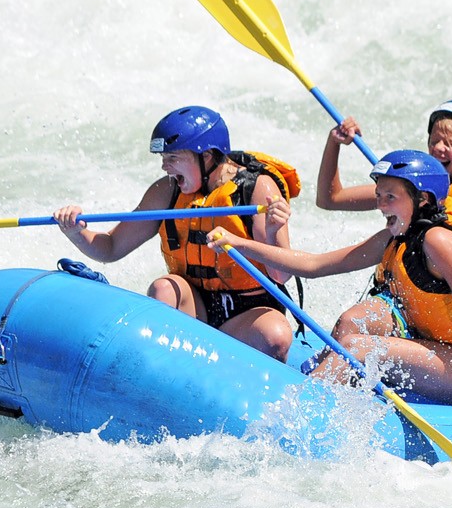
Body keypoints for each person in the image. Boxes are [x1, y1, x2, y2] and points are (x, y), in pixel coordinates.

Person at [211, 150, 452, 411]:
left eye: (390, 197)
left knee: (356, 349)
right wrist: (240, 244)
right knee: (350, 324)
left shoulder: (440, 242)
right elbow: (314, 265)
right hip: (432, 344)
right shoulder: (395, 236)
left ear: (422, 199)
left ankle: (297, 411)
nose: (381, 205)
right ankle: (330, 391)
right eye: (379, 197)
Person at [53, 106, 300, 361]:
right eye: (163, 158)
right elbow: (111, 247)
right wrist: (75, 232)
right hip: (194, 306)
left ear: (206, 156)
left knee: (275, 336)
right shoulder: (167, 191)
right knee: (164, 289)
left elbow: (281, 275)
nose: (164, 167)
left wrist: (274, 231)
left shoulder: (256, 189)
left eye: (172, 158)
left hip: (250, 312)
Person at [314, 100, 452, 228]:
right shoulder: (406, 186)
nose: (438, 149)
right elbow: (329, 199)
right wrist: (334, 143)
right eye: (434, 141)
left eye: (450, 144)